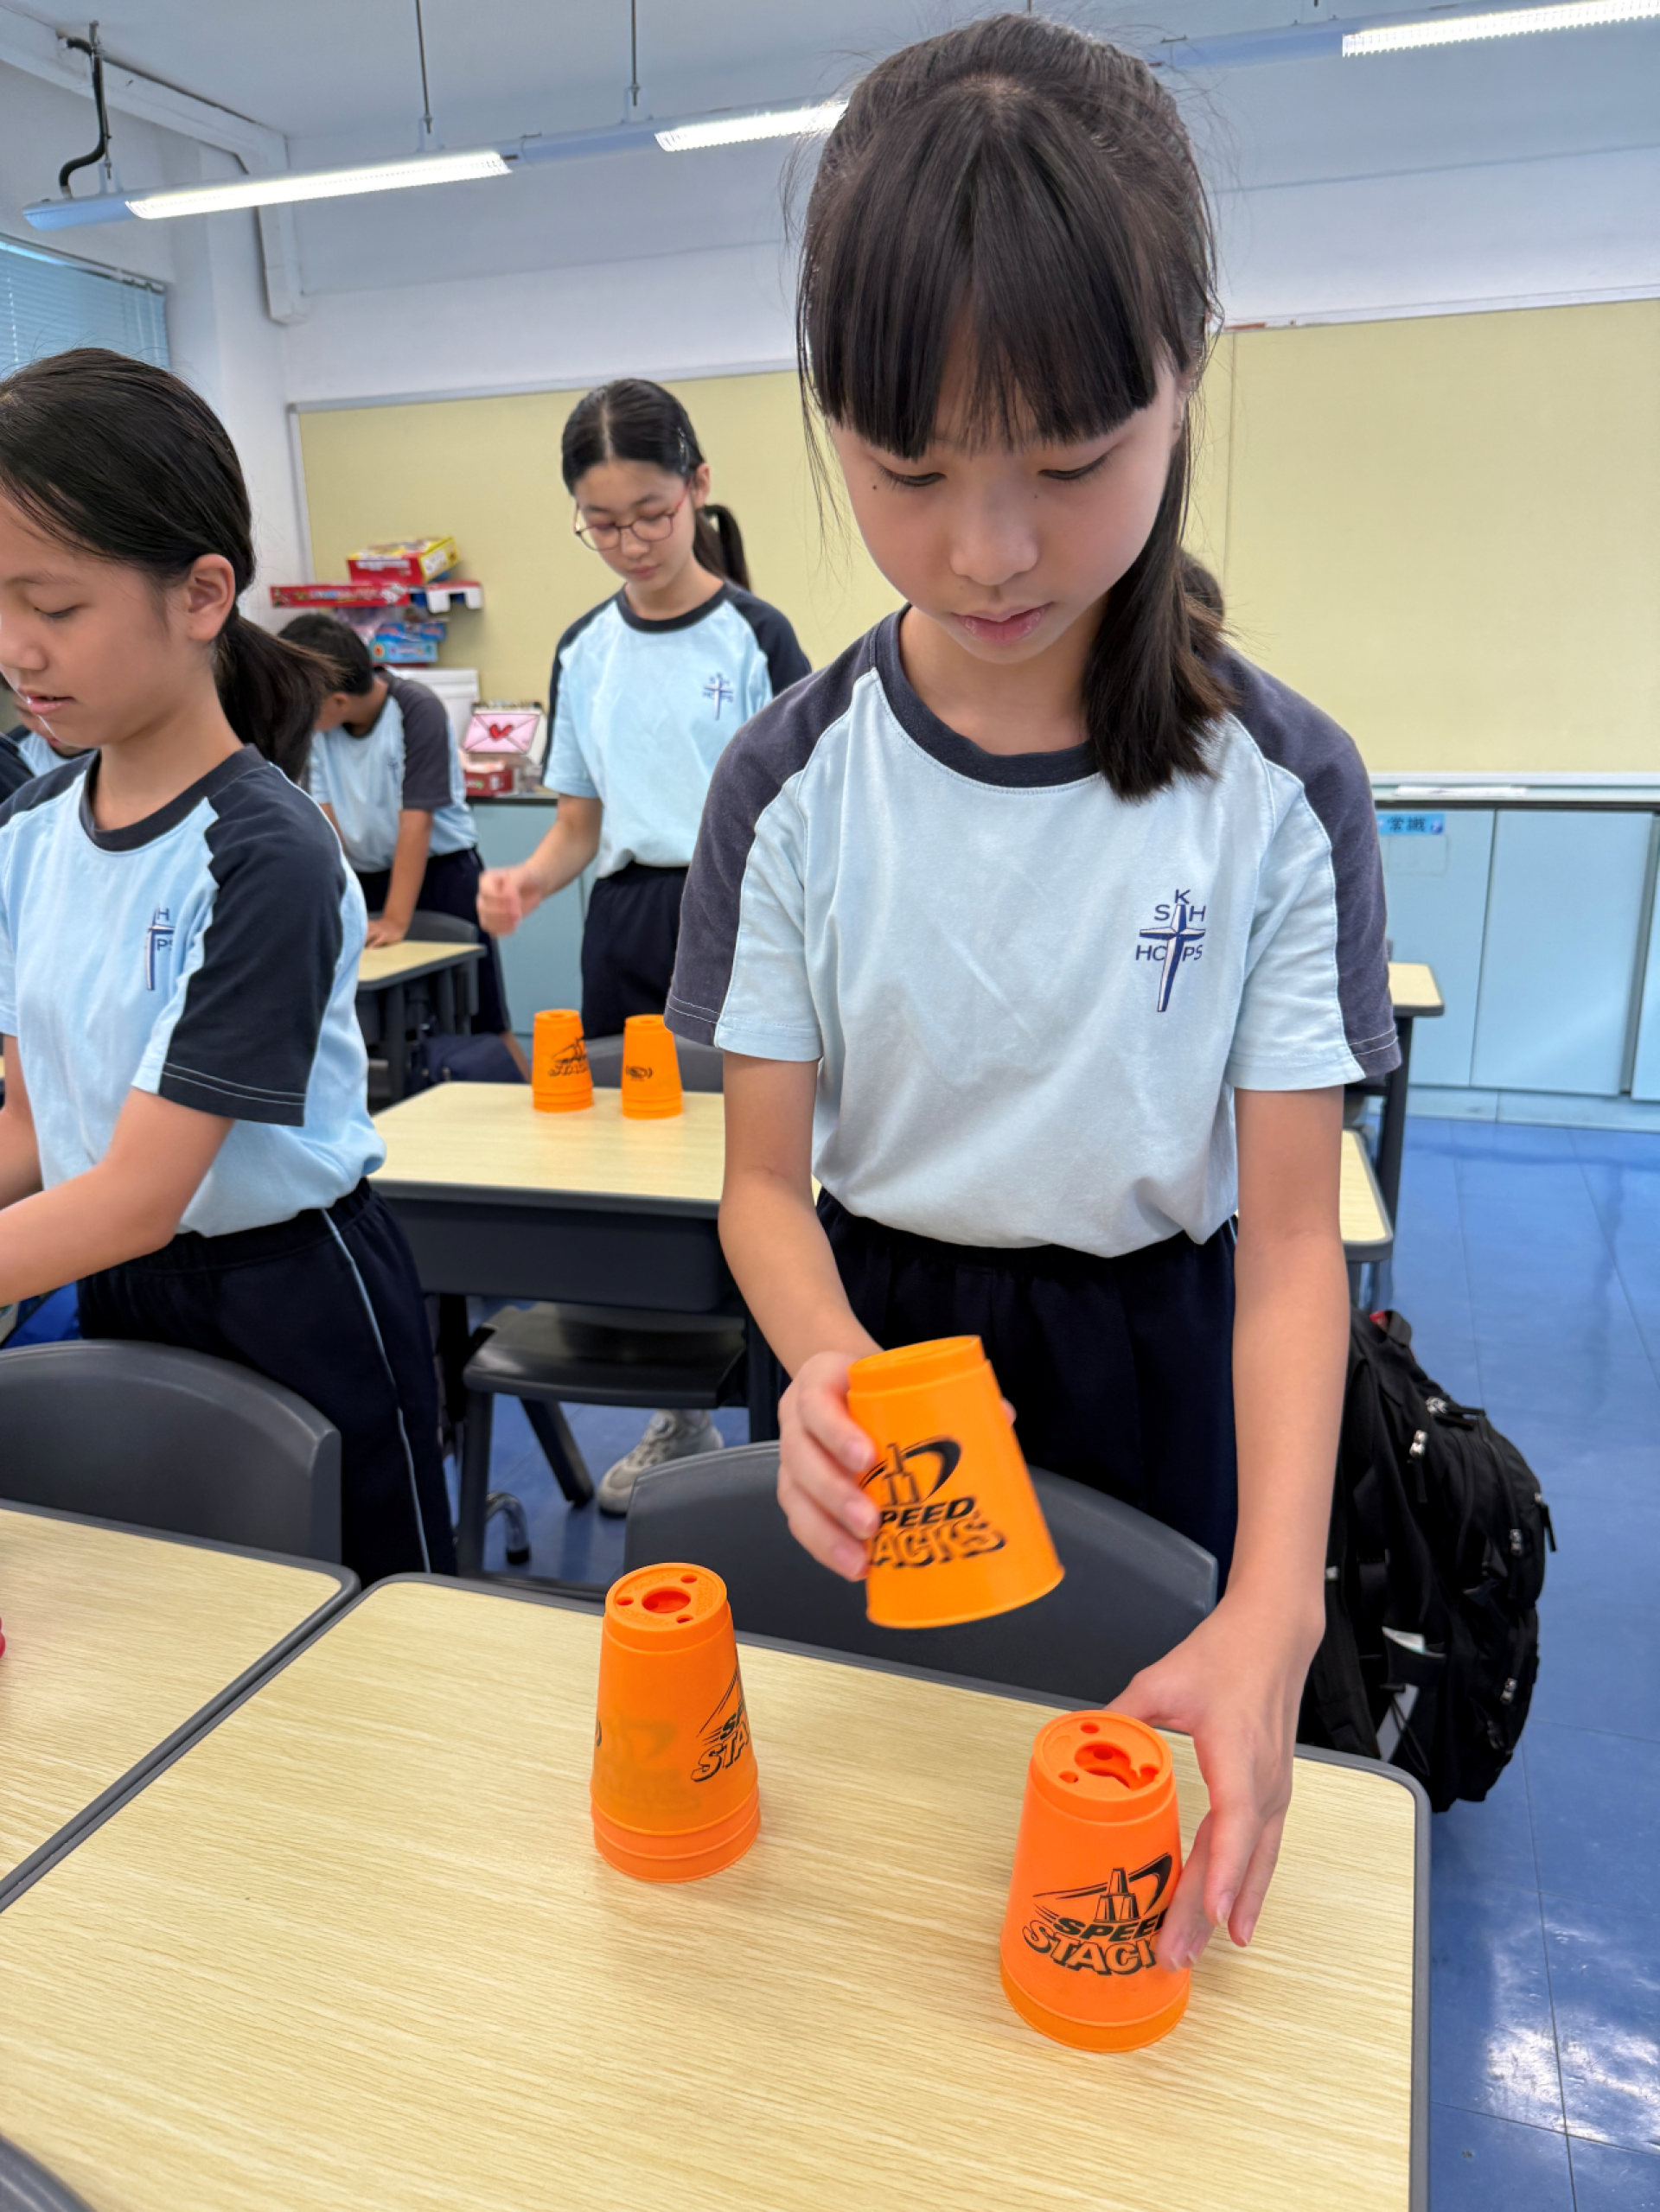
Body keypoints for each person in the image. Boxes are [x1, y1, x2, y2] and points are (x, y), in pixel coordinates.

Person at [666, 19, 1397, 1978]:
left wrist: (1277, 1602)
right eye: (906, 471)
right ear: (830, 424)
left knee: (1107, 1906)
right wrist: (822, 1361)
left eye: (1072, 465)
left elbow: (1289, 1246)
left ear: (1183, 382)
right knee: (841, 1893)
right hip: (876, 1347)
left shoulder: (1277, 789)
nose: (989, 551)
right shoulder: (789, 783)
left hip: (1151, 1357)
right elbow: (763, 1184)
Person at [0, 347, 456, 1584]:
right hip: (112, 1282)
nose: (18, 651)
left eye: (55, 609)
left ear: (202, 594)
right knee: (168, 1621)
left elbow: (142, 1190)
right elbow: (32, 1127)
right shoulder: (27, 835)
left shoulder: (266, 851)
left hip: (290, 1296)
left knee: (368, 1626)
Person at [479, 377, 811, 1511]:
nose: (629, 541)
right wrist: (526, 881)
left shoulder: (756, 635)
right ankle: (682, 1414)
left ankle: (783, 1402)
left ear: (698, 487)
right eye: (602, 522)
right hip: (623, 925)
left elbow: (805, 814)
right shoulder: (586, 648)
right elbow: (579, 824)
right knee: (638, 1167)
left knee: (757, 1164)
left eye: (651, 514)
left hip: (743, 916)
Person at [278, 614, 524, 1075]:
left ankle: (521, 1096)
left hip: (442, 876)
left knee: (482, 1018)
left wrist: (395, 919)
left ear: (336, 700)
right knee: (386, 1025)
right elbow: (326, 822)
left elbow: (417, 823)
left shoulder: (415, 708)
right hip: (367, 879)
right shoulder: (321, 731)